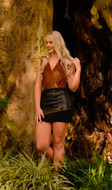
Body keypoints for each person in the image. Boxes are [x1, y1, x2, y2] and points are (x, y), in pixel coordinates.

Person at [34, 29, 80, 168]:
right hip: (45, 104)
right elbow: (38, 86)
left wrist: (78, 69)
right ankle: (63, 165)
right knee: (41, 145)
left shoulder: (66, 62)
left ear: (58, 43)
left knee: (58, 144)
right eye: (47, 43)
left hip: (62, 103)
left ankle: (58, 176)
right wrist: (37, 108)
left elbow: (73, 87)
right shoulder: (42, 61)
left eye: (51, 42)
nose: (48, 45)